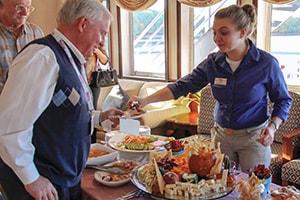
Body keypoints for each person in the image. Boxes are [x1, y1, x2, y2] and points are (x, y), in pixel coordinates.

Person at [128, 4, 292, 173]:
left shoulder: (266, 64)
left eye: (224, 32)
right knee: (219, 188)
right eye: (214, 32)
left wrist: (272, 127)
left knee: (254, 190)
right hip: (221, 137)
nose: (216, 38)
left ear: (242, 32)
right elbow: (181, 86)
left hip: (253, 139)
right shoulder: (213, 63)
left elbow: (283, 100)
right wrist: (145, 100)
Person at [0, 0, 124, 199]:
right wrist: (31, 179)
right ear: (83, 24)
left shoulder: (71, 58)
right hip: (42, 182)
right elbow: (9, 127)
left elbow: (59, 112)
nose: (102, 42)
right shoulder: (42, 57)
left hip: (63, 176)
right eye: (102, 33)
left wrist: (98, 117)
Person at [0, 0, 44, 94]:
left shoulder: (36, 33)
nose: (25, 13)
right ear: (1, 6)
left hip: (32, 103)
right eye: (19, 7)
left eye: (28, 8)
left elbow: (42, 71)